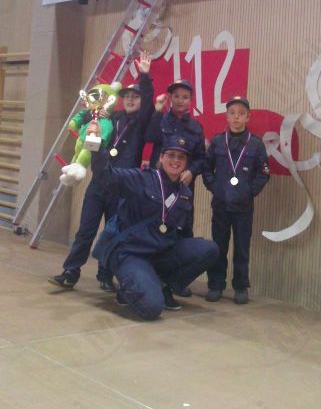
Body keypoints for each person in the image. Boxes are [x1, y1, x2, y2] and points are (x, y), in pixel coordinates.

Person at [48, 51, 155, 292]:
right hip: (99, 182)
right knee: (85, 230)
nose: (130, 100)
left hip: (122, 188)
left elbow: (149, 103)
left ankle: (105, 275)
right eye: (127, 96)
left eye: (135, 97)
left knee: (112, 233)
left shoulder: (141, 123)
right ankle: (71, 271)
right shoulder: (111, 117)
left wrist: (144, 76)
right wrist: (90, 123)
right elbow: (89, 112)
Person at [91, 135, 219, 320]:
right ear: (161, 157)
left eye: (181, 157)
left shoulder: (184, 193)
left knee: (209, 249)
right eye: (171, 155)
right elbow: (106, 176)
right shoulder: (141, 178)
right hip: (131, 252)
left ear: (186, 163)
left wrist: (183, 264)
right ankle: (129, 289)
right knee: (151, 308)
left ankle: (163, 284)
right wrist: (96, 147)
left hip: (159, 253)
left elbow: (183, 233)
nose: (176, 161)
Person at [202, 96, 270, 304]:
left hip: (243, 206)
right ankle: (216, 284)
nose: (236, 117)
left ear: (248, 117)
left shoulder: (255, 144)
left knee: (242, 248)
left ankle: (241, 287)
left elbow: (263, 172)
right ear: (227, 116)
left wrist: (249, 192)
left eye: (241, 114)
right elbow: (206, 167)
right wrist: (215, 187)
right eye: (232, 113)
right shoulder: (217, 141)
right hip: (221, 204)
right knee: (218, 246)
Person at [144, 78, 205, 297]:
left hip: (183, 187)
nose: (180, 100)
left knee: (183, 230)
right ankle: (151, 276)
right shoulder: (161, 119)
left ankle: (176, 280)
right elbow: (148, 137)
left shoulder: (196, 127)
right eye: (176, 96)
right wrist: (157, 111)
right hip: (158, 186)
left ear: (191, 100)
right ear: (170, 98)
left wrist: (192, 171)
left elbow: (201, 158)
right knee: (155, 227)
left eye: (185, 97)